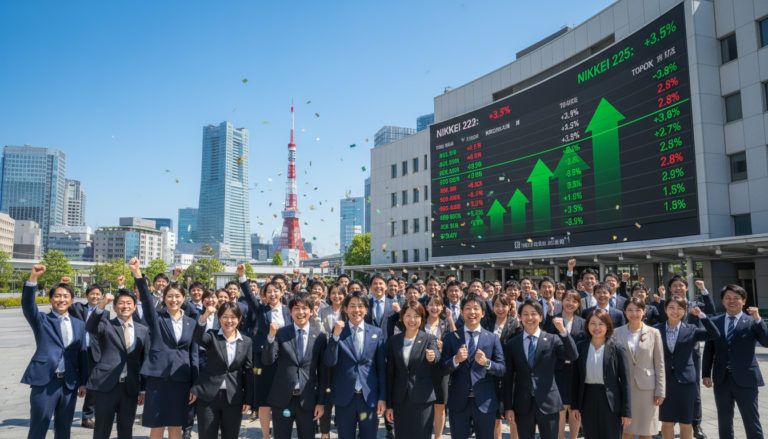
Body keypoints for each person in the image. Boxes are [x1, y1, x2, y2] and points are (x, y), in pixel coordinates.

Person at [130, 257, 199, 439]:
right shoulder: (157, 318)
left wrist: (195, 385)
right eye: (170, 296)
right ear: (164, 298)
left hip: (182, 379)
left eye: (177, 296)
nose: (173, 300)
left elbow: (194, 356)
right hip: (158, 378)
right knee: (157, 425)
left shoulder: (191, 323)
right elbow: (145, 299)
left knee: (176, 425)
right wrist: (137, 273)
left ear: (184, 298)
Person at [22, 265, 88, 439]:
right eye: (57, 296)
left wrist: (83, 382)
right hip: (45, 382)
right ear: (50, 299)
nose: (62, 299)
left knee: (64, 427)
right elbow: (28, 305)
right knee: (39, 426)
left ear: (72, 300)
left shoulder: (79, 324)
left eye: (66, 296)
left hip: (69, 383)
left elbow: (82, 354)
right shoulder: (41, 320)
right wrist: (33, 279)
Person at [504, 299, 577, 439]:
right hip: (522, 404)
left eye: (534, 314)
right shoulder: (513, 344)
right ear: (519, 317)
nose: (529, 318)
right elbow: (508, 378)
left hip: (549, 403)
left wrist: (563, 331)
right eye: (525, 314)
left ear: (541, 317)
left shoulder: (552, 339)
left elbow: (572, 355)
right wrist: (508, 407)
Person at [703, 284, 768, 439]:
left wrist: (758, 319)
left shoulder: (752, 321)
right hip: (721, 378)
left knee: (751, 419)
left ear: (743, 301)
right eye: (728, 298)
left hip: (746, 378)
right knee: (724, 420)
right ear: (723, 301)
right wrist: (706, 374)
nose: (732, 301)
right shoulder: (715, 322)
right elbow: (708, 351)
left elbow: (766, 342)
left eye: (736, 298)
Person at [86, 288, 150, 439]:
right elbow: (90, 327)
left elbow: (144, 360)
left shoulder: (143, 330)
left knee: (126, 429)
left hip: (130, 387)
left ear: (135, 307)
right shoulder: (106, 325)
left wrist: (144, 390)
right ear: (114, 307)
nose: (125, 306)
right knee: (102, 429)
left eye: (129, 303)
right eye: (121, 303)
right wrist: (102, 304)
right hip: (105, 386)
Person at [262, 292, 327, 439]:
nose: (301, 312)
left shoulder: (320, 337)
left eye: (305, 308)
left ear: (311, 311)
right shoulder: (281, 333)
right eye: (296, 308)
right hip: (282, 397)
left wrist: (321, 403)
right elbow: (267, 360)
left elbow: (323, 374)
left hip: (308, 399)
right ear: (290, 311)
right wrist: (271, 337)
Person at [237, 264, 292, 439]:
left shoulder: (289, 311)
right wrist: (242, 276)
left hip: (284, 358)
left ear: (282, 293)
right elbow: (247, 295)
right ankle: (265, 435)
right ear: (265, 295)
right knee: (263, 399)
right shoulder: (261, 310)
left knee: (282, 398)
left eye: (276, 291)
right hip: (262, 357)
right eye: (269, 291)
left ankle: (280, 433)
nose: (273, 294)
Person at [324, 290, 387, 439]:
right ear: (345, 309)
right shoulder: (339, 331)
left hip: (369, 397)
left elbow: (381, 368)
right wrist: (335, 337)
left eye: (360, 306)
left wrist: (382, 397)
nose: (356, 310)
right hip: (345, 397)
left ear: (366, 309)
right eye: (352, 306)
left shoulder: (376, 333)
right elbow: (329, 361)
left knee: (369, 436)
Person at [442, 292, 506, 439]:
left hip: (485, 401)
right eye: (468, 308)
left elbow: (502, 369)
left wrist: (487, 363)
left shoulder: (492, 338)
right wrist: (456, 360)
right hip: (458, 401)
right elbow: (443, 368)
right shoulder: (452, 337)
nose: (472, 312)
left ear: (483, 313)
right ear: (462, 312)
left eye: (476, 308)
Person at [658, 277, 715, 439]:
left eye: (681, 286)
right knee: (668, 395)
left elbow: (710, 309)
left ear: (686, 288)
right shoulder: (667, 305)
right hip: (668, 357)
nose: (678, 288)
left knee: (694, 395)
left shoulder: (694, 305)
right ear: (670, 289)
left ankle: (695, 424)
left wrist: (703, 289)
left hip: (691, 355)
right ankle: (669, 423)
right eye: (674, 286)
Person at [192, 302, 253, 439]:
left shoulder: (246, 341)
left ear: (239, 319)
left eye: (233, 317)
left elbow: (248, 372)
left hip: (233, 397)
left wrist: (248, 399)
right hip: (208, 396)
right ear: (219, 318)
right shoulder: (212, 336)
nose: (229, 321)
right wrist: (205, 316)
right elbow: (197, 337)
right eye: (225, 316)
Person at [571, 309, 632, 439]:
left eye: (601, 324)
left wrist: (626, 412)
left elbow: (626, 381)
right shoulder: (581, 347)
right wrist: (574, 406)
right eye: (593, 323)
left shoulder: (617, 348)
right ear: (587, 325)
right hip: (588, 398)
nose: (596, 327)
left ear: (608, 326)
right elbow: (575, 378)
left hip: (611, 402)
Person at [385, 301, 440, 439]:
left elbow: (436, 355)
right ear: (402, 317)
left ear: (422, 318)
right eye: (408, 315)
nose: (412, 320)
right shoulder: (393, 340)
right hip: (400, 399)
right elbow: (390, 373)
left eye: (416, 316)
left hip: (422, 398)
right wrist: (389, 405)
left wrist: (432, 357)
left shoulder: (429, 339)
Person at [614, 297, 665, 439]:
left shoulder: (654, 333)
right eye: (630, 310)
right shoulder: (616, 333)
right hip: (623, 387)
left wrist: (660, 390)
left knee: (646, 430)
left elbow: (659, 363)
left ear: (644, 312)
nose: (634, 313)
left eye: (638, 310)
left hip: (648, 389)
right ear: (624, 311)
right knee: (626, 429)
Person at [543, 290, 585, 439]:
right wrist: (550, 314)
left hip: (576, 370)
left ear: (578, 304)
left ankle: (573, 437)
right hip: (558, 370)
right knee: (559, 408)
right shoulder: (554, 320)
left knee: (575, 408)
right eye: (567, 299)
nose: (570, 303)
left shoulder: (583, 322)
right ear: (562, 301)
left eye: (574, 301)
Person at [481, 293, 521, 439]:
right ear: (492, 306)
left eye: (503, 305)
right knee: (496, 414)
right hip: (491, 373)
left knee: (512, 412)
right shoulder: (486, 324)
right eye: (497, 305)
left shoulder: (516, 324)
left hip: (511, 373)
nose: (500, 308)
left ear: (509, 306)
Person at [66, 282, 103, 429]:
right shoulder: (77, 308)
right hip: (76, 352)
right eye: (92, 294)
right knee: (69, 383)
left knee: (92, 386)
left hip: (94, 353)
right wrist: (65, 284)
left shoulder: (104, 312)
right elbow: (65, 302)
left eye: (97, 294)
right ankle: (63, 414)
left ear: (101, 297)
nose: (94, 296)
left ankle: (87, 417)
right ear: (86, 296)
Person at [316, 283, 346, 439]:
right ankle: (325, 431)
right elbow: (320, 333)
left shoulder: (348, 311)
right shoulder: (322, 311)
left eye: (340, 293)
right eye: (334, 293)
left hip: (344, 358)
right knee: (326, 396)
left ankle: (342, 429)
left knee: (341, 395)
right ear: (329, 294)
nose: (337, 296)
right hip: (327, 356)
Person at [424, 294, 454, 438]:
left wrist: (451, 319)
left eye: (438, 304)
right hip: (423, 369)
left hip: (441, 369)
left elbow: (455, 340)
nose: (434, 308)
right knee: (423, 404)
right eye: (431, 304)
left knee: (440, 405)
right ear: (426, 307)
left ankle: (437, 436)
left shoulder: (446, 323)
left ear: (442, 307)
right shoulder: (420, 322)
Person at [197, 290, 220, 369]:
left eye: (213, 297)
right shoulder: (196, 315)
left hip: (217, 353)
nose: (210, 300)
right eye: (207, 297)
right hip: (200, 354)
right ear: (202, 300)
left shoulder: (221, 316)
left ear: (217, 300)